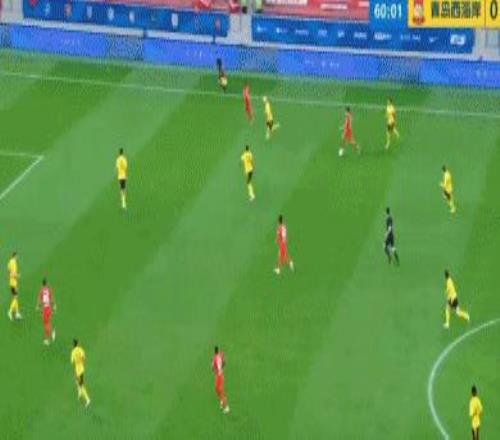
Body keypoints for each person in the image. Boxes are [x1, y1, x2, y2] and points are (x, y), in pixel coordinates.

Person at [71, 339, 91, 407]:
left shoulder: (73, 352)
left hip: (78, 370)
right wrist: (81, 362)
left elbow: (72, 361)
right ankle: (79, 391)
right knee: (77, 381)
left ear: (73, 345)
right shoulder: (80, 349)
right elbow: (84, 357)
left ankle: (87, 399)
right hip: (81, 368)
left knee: (81, 384)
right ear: (78, 343)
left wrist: (76, 362)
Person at [37, 278, 56, 345]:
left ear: (42, 284)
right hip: (49, 308)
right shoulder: (49, 290)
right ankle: (47, 338)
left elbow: (39, 300)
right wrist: (54, 306)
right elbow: (52, 299)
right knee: (47, 323)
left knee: (46, 324)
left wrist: (38, 306)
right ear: (46, 283)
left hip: (45, 309)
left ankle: (50, 333)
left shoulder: (41, 291)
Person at [212, 346, 229, 414]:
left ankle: (226, 407)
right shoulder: (219, 356)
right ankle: (222, 401)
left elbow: (214, 368)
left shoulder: (215, 358)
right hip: (219, 376)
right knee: (216, 389)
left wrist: (217, 370)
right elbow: (224, 362)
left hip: (219, 376)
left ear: (214, 351)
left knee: (220, 391)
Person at [7, 251, 21, 321]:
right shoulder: (14, 263)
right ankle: (10, 311)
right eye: (17, 256)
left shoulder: (10, 262)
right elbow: (13, 274)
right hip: (14, 283)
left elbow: (8, 271)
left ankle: (17, 313)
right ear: (15, 256)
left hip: (11, 282)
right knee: (15, 298)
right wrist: (17, 275)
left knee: (15, 297)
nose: (17, 257)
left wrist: (11, 276)